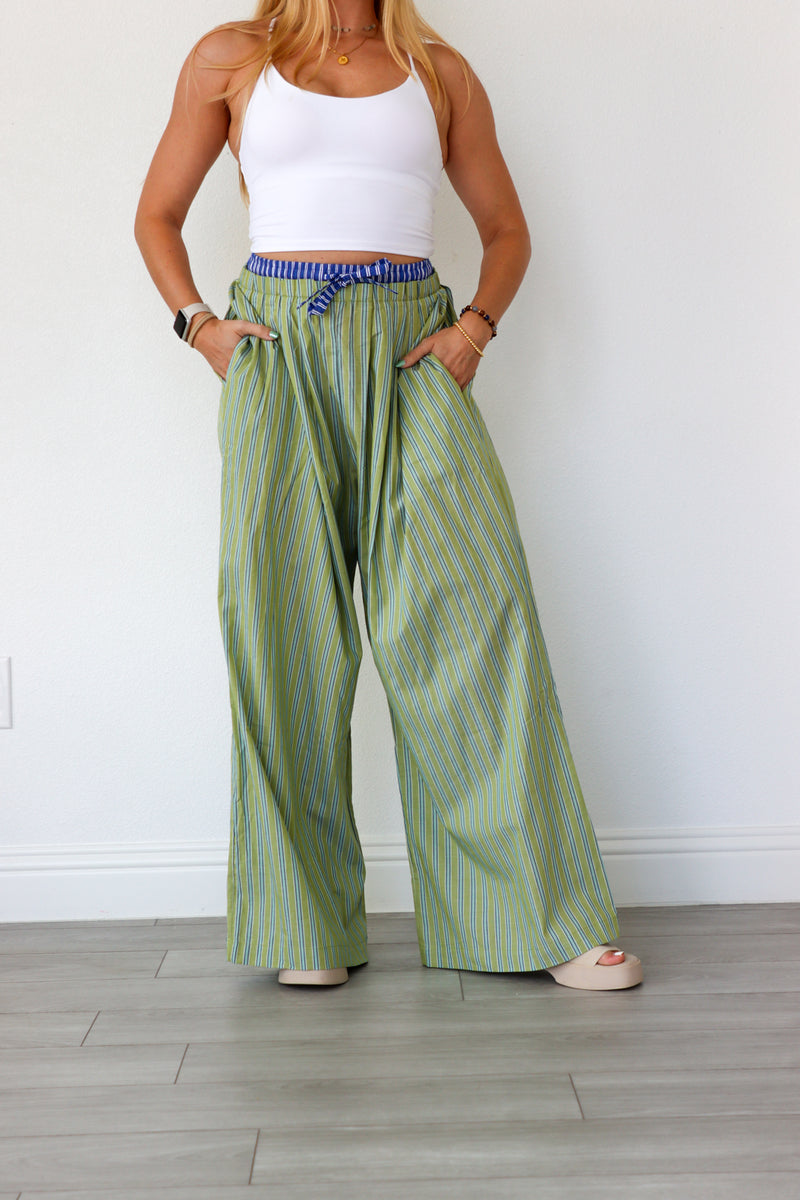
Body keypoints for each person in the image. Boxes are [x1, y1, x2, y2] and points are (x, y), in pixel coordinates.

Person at [134, 0, 643, 991]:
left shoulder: (437, 70)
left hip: (414, 346)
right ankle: (304, 927)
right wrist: (197, 325)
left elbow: (504, 229)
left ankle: (536, 920)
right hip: (278, 349)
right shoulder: (230, 57)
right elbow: (156, 213)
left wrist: (474, 329)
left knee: (472, 620)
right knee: (282, 631)